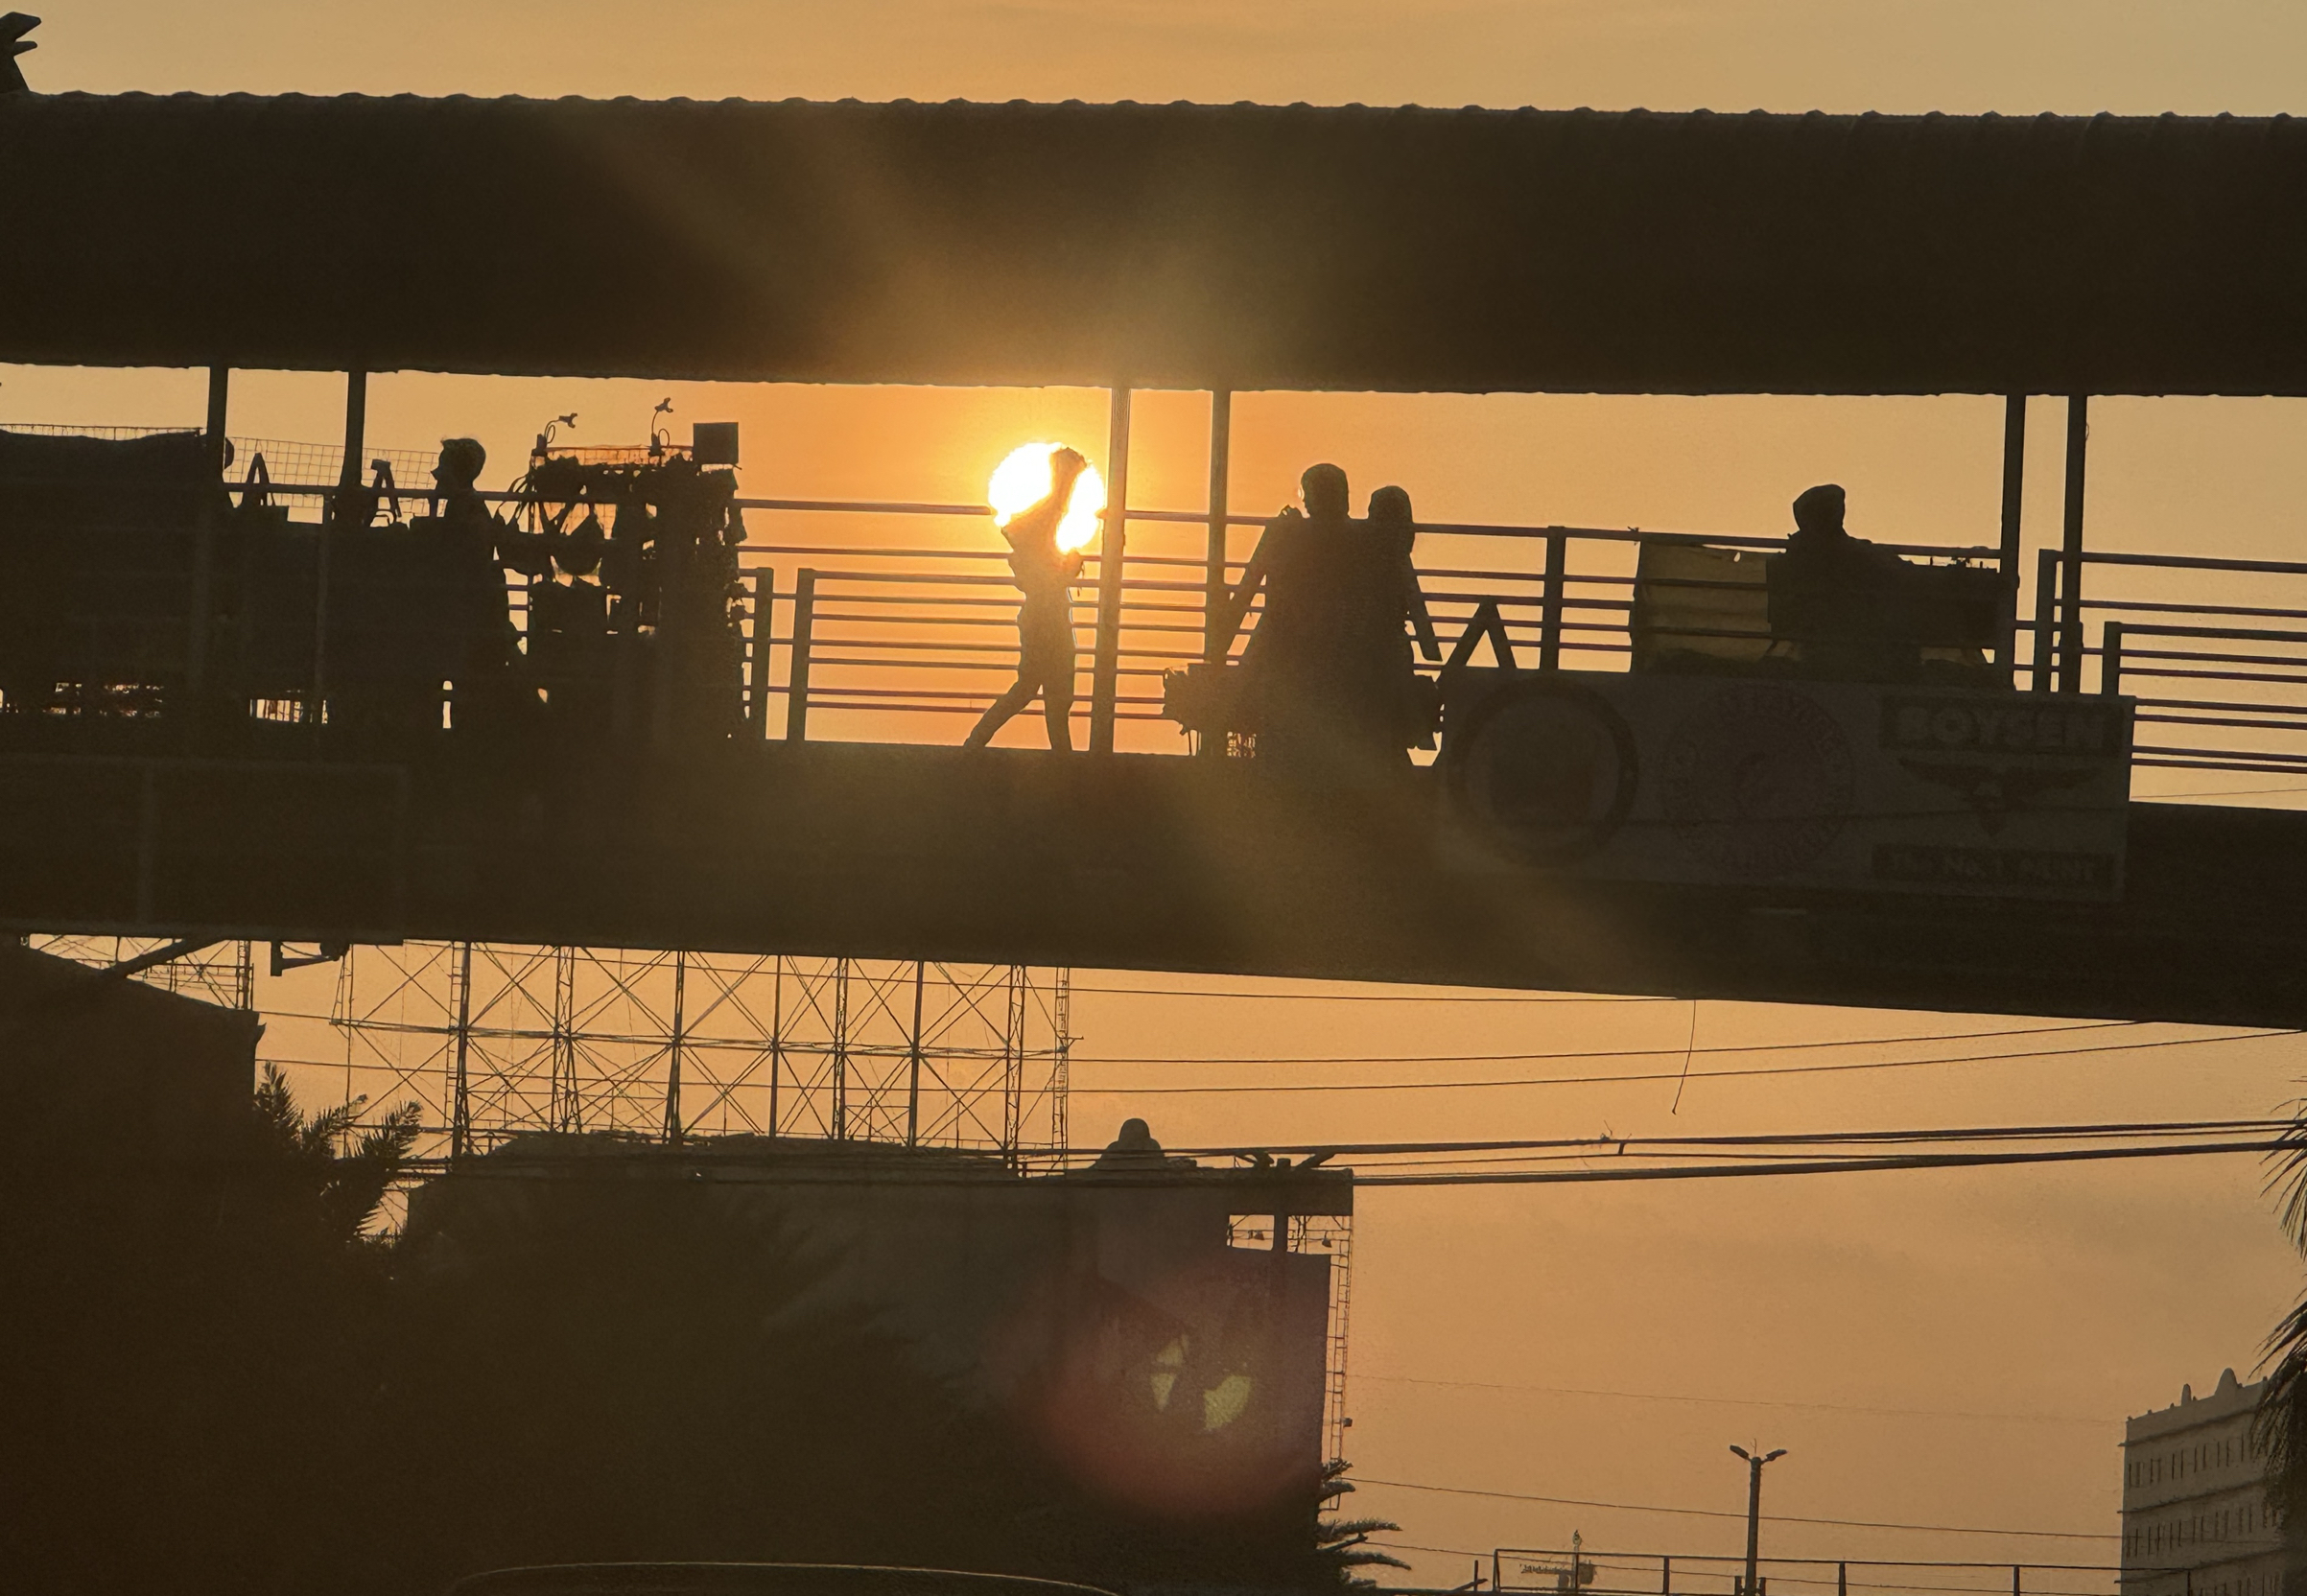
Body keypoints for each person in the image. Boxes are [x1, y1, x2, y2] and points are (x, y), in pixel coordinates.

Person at [964, 447, 1089, 752]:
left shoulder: (1045, 517)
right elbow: (1048, 581)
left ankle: (977, 741)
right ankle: (1061, 760)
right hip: (1048, 618)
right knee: (1049, 695)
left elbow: (1039, 571)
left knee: (1035, 690)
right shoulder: (1048, 515)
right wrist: (1070, 567)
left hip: (1043, 616)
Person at [1768, 481, 1921, 681]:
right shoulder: (1858, 553)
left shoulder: (1798, 556)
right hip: (1855, 649)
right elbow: (1900, 573)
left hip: (1833, 649)